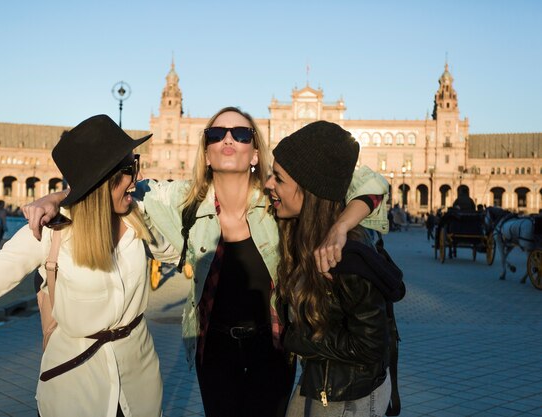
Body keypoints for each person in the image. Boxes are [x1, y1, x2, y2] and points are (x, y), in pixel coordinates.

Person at [23, 107, 389, 417]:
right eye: (217, 133)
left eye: (241, 134)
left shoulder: (277, 198)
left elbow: (367, 179)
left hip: (276, 346)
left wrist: (341, 226)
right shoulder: (181, 200)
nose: (228, 139)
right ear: (206, 150)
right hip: (212, 348)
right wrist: (59, 196)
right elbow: (108, 183)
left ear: (256, 152)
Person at [0, 114, 177, 417]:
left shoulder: (140, 216)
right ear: (104, 178)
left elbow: (188, 233)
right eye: (132, 168)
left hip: (139, 384)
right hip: (74, 385)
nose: (138, 176)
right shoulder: (50, 231)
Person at [266, 121, 401, 417]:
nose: (268, 185)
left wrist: (295, 338)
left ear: (309, 189)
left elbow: (370, 347)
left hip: (350, 396)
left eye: (278, 178)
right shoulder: (302, 235)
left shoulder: (344, 258)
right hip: (321, 383)